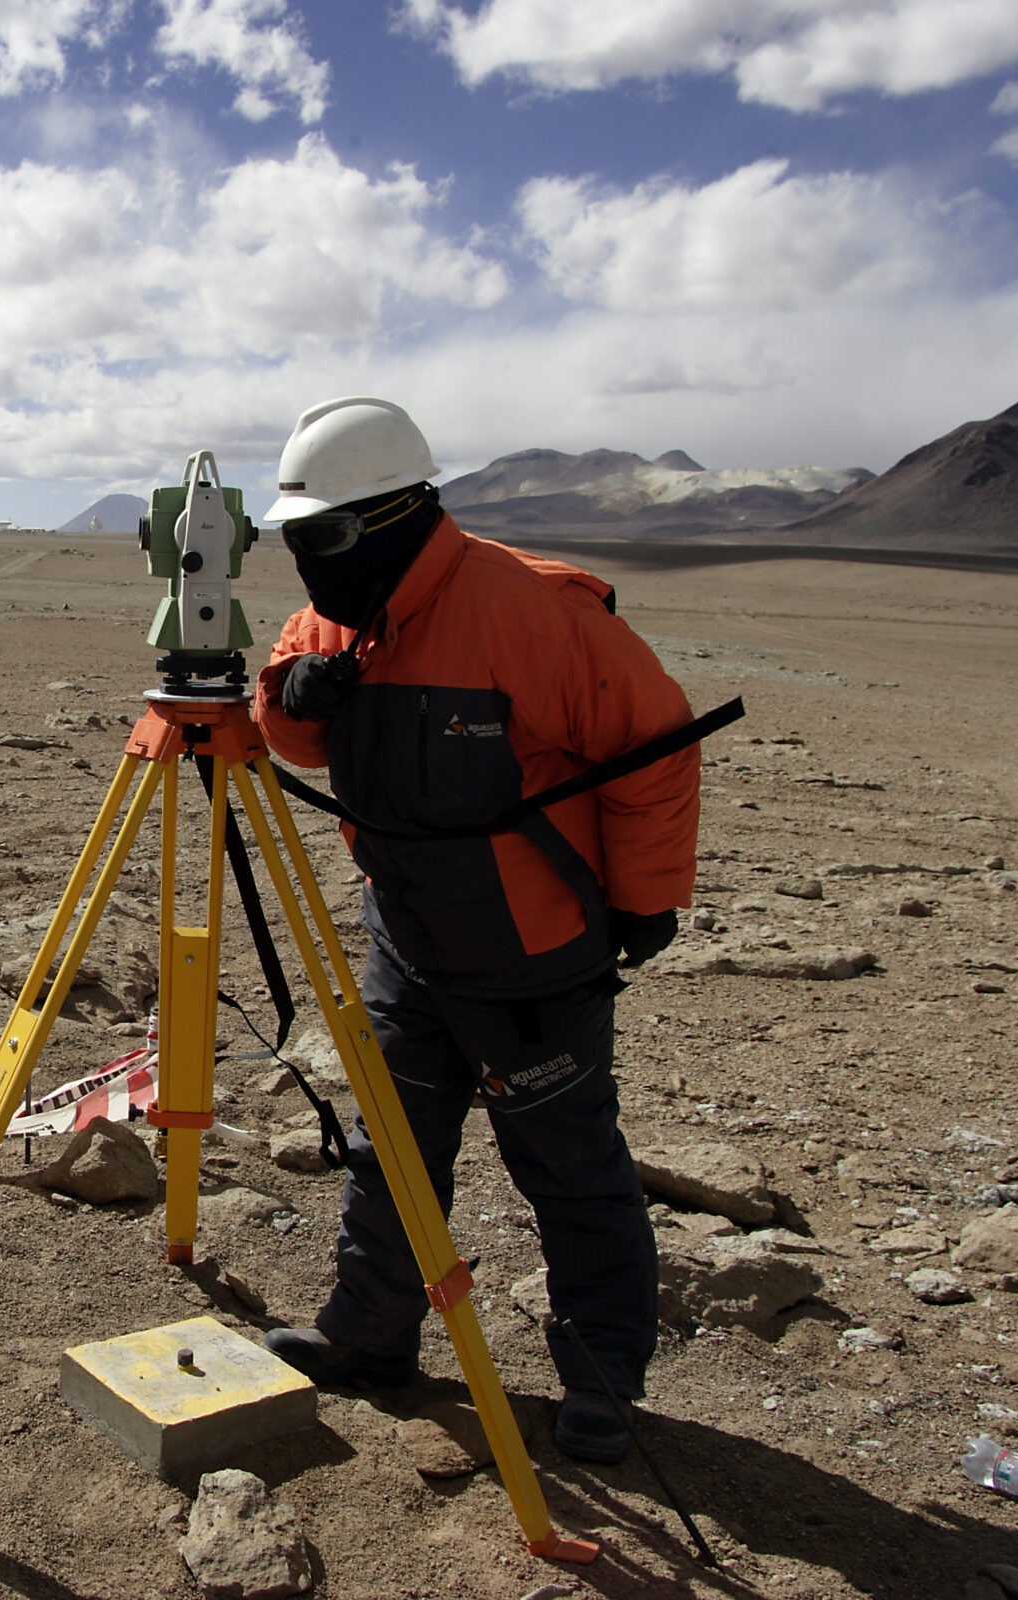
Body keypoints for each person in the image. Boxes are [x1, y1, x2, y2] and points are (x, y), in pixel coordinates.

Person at [247, 396, 701, 1465]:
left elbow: (653, 748)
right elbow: (293, 741)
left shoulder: (529, 610)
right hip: (405, 941)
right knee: (391, 1150)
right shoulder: (334, 618)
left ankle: (602, 1382)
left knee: (569, 1167)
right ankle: (370, 1334)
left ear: (395, 514)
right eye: (297, 539)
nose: (308, 560)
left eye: (323, 535)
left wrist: (646, 897)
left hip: (531, 954)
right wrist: (293, 697)